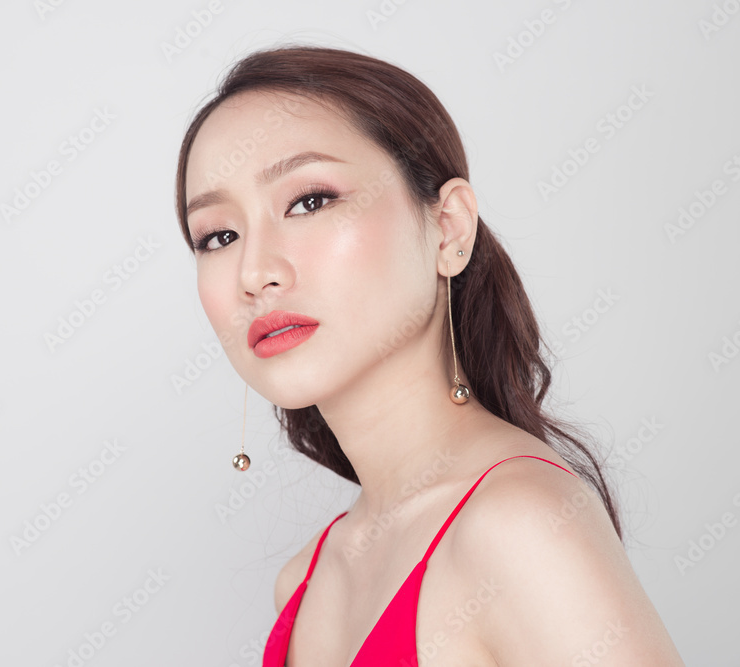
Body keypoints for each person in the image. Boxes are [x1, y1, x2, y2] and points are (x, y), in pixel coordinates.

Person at [175, 44, 685, 666]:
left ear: (449, 229)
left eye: (309, 200)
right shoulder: (304, 582)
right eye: (218, 236)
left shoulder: (520, 525)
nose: (254, 272)